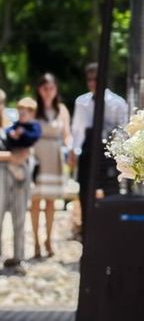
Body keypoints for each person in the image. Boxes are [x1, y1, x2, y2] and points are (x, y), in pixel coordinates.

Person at [69, 63, 128, 230]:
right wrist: (73, 150)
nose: (93, 83)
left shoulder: (118, 103)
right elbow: (77, 129)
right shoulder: (82, 102)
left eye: (96, 79)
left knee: (111, 192)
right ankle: (86, 231)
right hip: (88, 151)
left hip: (108, 153)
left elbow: (123, 129)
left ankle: (113, 229)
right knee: (85, 192)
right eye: (89, 80)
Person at [30, 74, 72, 258]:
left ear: (56, 90)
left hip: (54, 158)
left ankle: (48, 239)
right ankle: (36, 242)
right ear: (39, 89)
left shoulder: (61, 110)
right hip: (37, 158)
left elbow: (67, 135)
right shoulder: (33, 108)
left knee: (50, 202)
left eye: (51, 88)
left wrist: (71, 151)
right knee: (35, 201)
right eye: (45, 88)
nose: (48, 92)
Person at [0, 90, 32, 274]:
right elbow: (15, 154)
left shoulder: (15, 121)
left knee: (19, 218)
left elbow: (28, 147)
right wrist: (11, 157)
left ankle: (19, 257)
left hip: (19, 176)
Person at [4, 97, 41, 181]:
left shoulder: (35, 125)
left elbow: (35, 136)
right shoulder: (17, 124)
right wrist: (11, 133)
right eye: (19, 114)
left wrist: (24, 132)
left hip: (26, 152)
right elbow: (8, 129)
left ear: (32, 114)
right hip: (15, 150)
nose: (21, 116)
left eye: (23, 114)